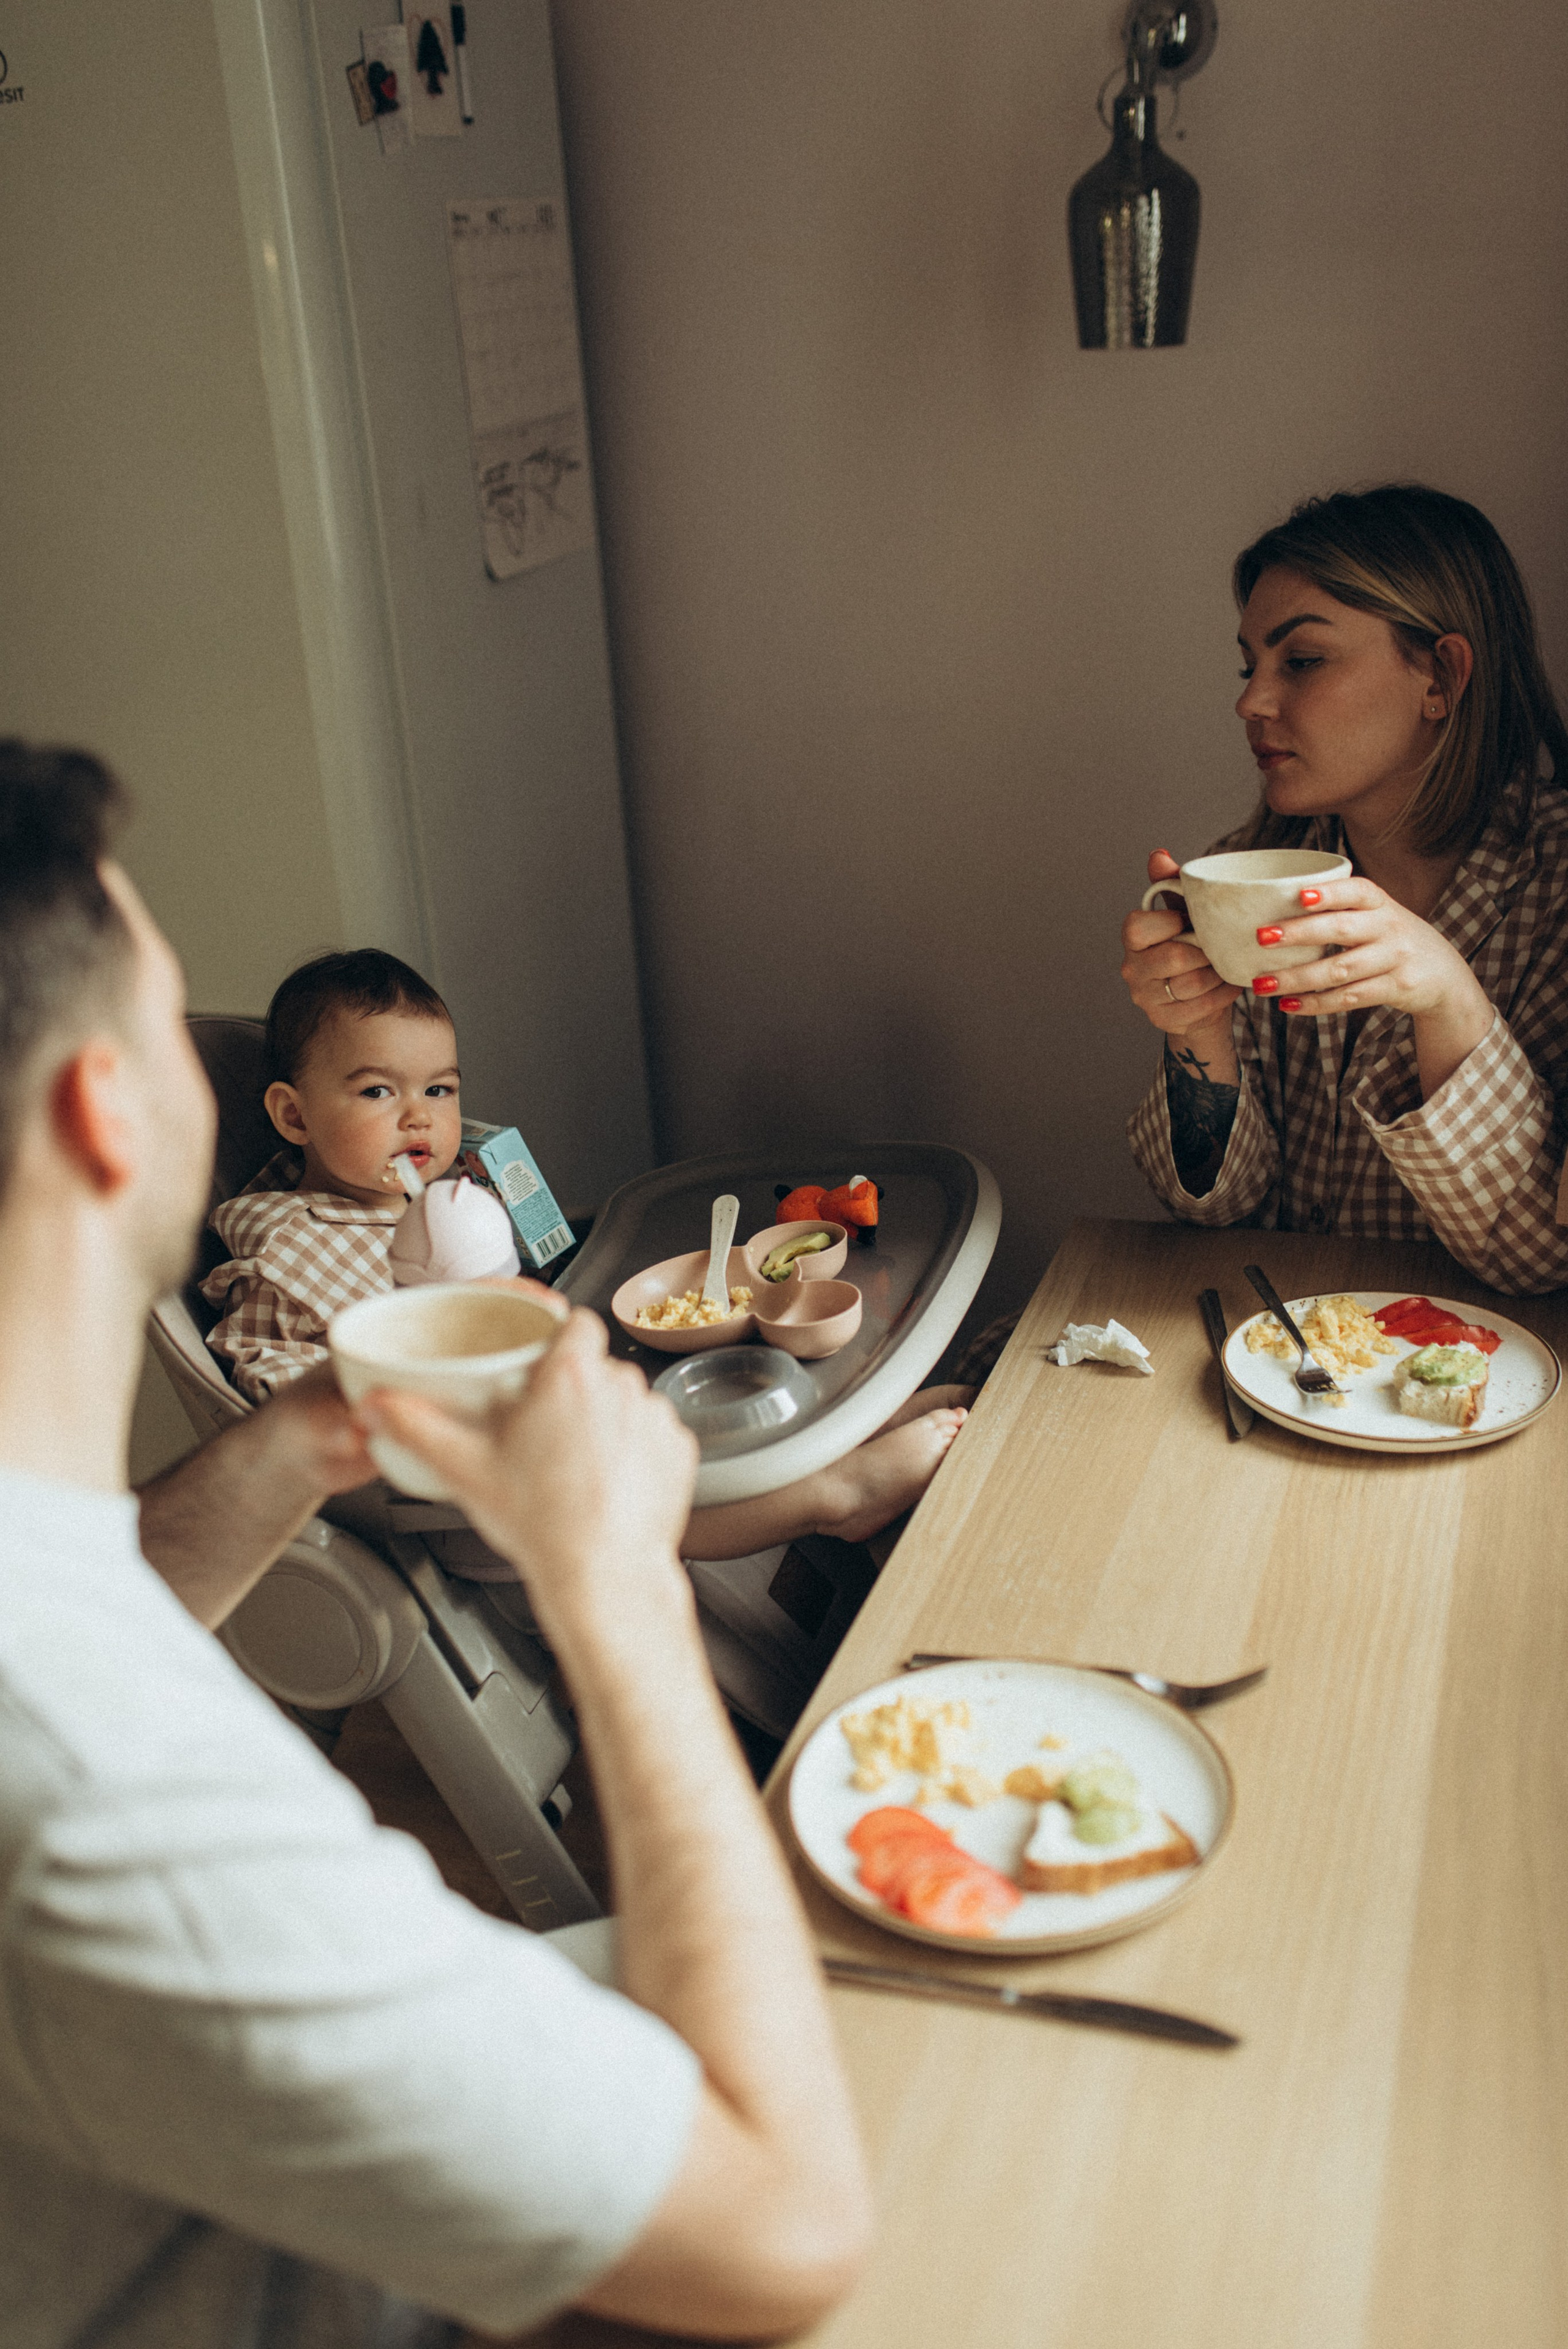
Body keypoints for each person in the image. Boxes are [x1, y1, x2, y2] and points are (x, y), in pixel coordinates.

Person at [0, 739, 872, 2346]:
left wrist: (309, 1423)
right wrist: (615, 1595)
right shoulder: (111, 1809)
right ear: (104, 1112)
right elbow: (792, 2234)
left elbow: (95, 1604)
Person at [200, 948, 970, 1563]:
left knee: (661, 1398)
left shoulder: (460, 1190)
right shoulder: (287, 1248)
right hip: (468, 1493)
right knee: (634, 1504)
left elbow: (544, 1267)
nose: (418, 1117)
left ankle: (827, 1438)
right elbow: (268, 1395)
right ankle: (834, 1495)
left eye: (439, 1090)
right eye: (376, 1093)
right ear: (293, 1115)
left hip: (543, 1399)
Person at [1120, 483, 1568, 1294]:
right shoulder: (1246, 873)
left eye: (1301, 660)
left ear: (1441, 676)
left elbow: (1542, 1258)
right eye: (1250, 665)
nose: (1251, 700)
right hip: (1278, 1345)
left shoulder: (1557, 893)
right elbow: (1213, 1215)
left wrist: (1450, 1002)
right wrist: (1197, 1030)